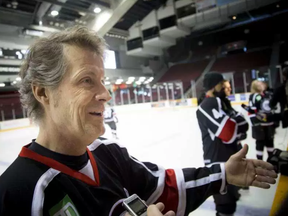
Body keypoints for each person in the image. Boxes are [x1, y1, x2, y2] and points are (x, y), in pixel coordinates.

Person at [0, 26, 277, 216]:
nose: (106, 94)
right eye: (87, 80)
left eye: (103, 81)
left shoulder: (107, 152)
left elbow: (163, 188)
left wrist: (223, 174)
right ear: (43, 92)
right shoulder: (17, 193)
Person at [196, 73, 249, 216]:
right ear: (214, 86)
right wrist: (236, 124)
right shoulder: (208, 105)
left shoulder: (224, 103)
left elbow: (244, 126)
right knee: (224, 206)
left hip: (230, 159)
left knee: (230, 204)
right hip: (217, 163)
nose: (226, 87)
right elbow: (229, 134)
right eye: (222, 83)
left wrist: (236, 125)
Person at [248, 80, 275, 160]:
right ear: (256, 87)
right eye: (259, 84)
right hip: (259, 125)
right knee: (260, 143)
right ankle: (260, 163)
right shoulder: (254, 96)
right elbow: (252, 111)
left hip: (269, 124)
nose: (262, 84)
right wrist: (260, 119)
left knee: (270, 142)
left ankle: (272, 161)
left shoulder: (266, 94)